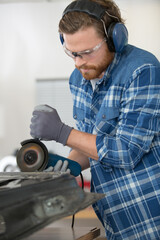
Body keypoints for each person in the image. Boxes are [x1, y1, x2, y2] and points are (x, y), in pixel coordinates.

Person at [30, 0, 160, 239]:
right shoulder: (77, 79)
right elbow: (92, 143)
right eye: (72, 53)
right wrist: (69, 166)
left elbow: (127, 151)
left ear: (115, 39)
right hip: (111, 215)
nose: (79, 62)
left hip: (148, 213)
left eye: (87, 52)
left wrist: (61, 132)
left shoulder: (142, 70)